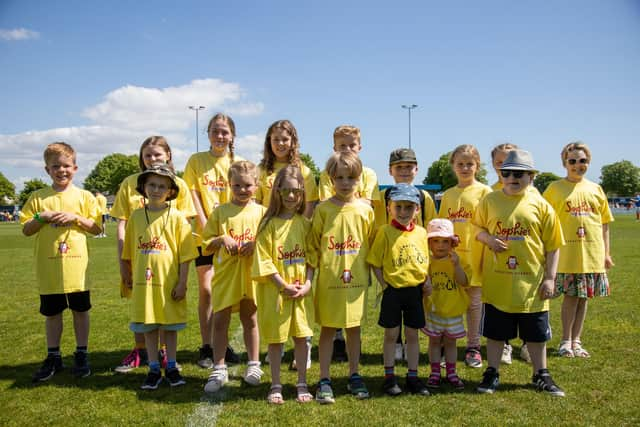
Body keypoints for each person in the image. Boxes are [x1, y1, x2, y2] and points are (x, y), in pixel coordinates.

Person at [474, 149, 566, 396]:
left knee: (535, 335)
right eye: (507, 172)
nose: (512, 177)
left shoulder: (541, 205)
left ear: (531, 176)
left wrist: (549, 278)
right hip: (497, 284)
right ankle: (492, 372)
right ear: (500, 174)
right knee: (495, 334)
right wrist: (489, 239)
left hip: (531, 286)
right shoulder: (490, 200)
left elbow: (554, 246)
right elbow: (477, 228)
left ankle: (541, 374)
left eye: (519, 173)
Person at [110, 136, 196, 373]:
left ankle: (165, 354)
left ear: (168, 155)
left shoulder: (179, 184)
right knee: (142, 304)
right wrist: (123, 261)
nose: (152, 159)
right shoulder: (130, 182)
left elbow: (185, 224)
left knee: (165, 304)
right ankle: (141, 352)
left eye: (157, 154)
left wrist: (182, 274)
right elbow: (122, 222)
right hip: (140, 254)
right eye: (147, 155)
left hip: (167, 258)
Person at [21, 142, 101, 382]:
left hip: (77, 268)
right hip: (49, 268)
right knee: (52, 313)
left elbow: (97, 229)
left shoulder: (84, 197)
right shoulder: (37, 198)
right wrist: (41, 217)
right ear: (47, 170)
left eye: (66, 166)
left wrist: (77, 218)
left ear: (75, 168)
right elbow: (26, 229)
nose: (61, 170)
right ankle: (53, 355)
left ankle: (81, 353)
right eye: (56, 166)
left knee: (80, 310)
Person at [308, 151, 375, 404]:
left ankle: (354, 374)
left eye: (351, 177)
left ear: (359, 179)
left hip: (356, 283)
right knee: (327, 328)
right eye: (340, 177)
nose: (345, 183)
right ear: (331, 179)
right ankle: (324, 378)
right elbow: (314, 245)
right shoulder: (323, 210)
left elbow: (371, 243)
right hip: (329, 282)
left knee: (353, 329)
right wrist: (310, 277)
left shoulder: (365, 210)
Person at [543, 142, 614, 358]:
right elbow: (544, 221)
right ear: (565, 163)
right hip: (566, 255)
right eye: (572, 161)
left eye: (582, 161)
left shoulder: (596, 189)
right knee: (571, 298)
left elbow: (604, 224)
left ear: (588, 162)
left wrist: (606, 254)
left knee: (584, 298)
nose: (577, 165)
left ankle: (577, 340)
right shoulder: (555, 188)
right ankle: (565, 341)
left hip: (591, 254)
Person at [255, 119, 316, 369]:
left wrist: (300, 228)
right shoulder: (262, 170)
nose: (280, 143)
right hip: (272, 233)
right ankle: (276, 347)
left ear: (293, 141)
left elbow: (310, 203)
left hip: (297, 233)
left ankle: (305, 348)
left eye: (285, 138)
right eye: (275, 139)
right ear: (269, 142)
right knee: (274, 302)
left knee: (301, 306)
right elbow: (258, 203)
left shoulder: (305, 170)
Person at [317, 125, 381, 362]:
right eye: (342, 146)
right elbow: (327, 201)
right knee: (329, 317)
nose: (347, 149)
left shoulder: (370, 174)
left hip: (357, 254)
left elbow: (368, 202)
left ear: (360, 147)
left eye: (351, 145)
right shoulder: (327, 174)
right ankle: (334, 346)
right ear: (334, 148)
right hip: (333, 256)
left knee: (354, 320)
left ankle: (354, 371)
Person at [184, 113, 243, 368]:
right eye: (215, 131)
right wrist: (206, 224)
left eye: (225, 132)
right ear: (207, 133)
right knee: (207, 291)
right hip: (204, 236)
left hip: (231, 238)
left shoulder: (238, 162)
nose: (220, 136)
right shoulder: (196, 161)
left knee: (227, 293)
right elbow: (192, 193)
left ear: (232, 136)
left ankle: (223, 343)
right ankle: (207, 346)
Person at [252, 165, 315, 404]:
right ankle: (276, 383)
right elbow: (264, 259)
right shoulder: (268, 224)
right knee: (276, 340)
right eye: (286, 191)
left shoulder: (305, 224)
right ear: (277, 191)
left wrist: (308, 283)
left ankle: (301, 382)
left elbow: (312, 257)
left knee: (301, 337)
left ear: (302, 194)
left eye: (296, 192)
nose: (291, 196)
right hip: (275, 293)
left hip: (300, 292)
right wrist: (281, 285)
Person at [202, 160, 266, 393]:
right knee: (220, 321)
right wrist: (221, 239)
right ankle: (219, 367)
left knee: (250, 319)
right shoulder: (220, 212)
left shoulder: (262, 212)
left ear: (256, 185)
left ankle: (254, 364)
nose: (242, 190)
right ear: (229, 185)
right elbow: (205, 244)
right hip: (226, 276)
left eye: (247, 185)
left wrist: (255, 244)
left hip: (250, 274)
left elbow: (270, 242)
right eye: (237, 185)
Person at [367, 184, 431, 397]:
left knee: (413, 334)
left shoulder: (422, 233)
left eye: (409, 207)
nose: (403, 212)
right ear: (389, 208)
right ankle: (389, 377)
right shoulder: (385, 232)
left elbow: (425, 260)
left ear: (417, 210)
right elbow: (374, 262)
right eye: (399, 207)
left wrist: (427, 280)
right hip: (393, 291)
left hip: (415, 292)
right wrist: (385, 285)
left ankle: (413, 376)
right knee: (391, 335)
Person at [438, 144, 492, 368]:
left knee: (474, 305)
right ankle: (445, 346)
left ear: (477, 166)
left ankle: (473, 347)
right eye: (460, 164)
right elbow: (442, 227)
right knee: (450, 302)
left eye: (469, 164)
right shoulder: (449, 194)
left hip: (477, 257)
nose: (465, 168)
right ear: (453, 166)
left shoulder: (485, 192)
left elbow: (490, 225)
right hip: (452, 258)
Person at [383, 148, 438, 361]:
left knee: (415, 305)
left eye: (408, 166)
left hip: (416, 259)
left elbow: (430, 231)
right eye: (399, 167)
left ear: (416, 169)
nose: (404, 171)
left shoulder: (424, 198)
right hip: (392, 260)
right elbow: (379, 226)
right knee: (393, 308)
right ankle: (395, 343)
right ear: (391, 170)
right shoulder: (385, 195)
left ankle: (414, 343)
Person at [489, 143, 531, 364]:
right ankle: (504, 344)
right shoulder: (491, 193)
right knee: (501, 304)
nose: (507, 169)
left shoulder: (531, 192)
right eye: (501, 164)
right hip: (499, 263)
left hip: (528, 264)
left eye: (511, 163)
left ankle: (527, 344)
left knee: (527, 304)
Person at [422, 218, 469, 391]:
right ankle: (435, 372)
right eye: (435, 241)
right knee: (434, 342)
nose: (440, 245)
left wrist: (456, 266)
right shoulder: (426, 261)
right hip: (434, 310)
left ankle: (451, 372)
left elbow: (464, 282)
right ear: (429, 242)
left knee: (450, 343)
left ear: (452, 243)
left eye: (445, 241)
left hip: (453, 311)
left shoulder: (458, 260)